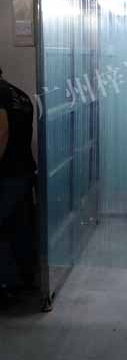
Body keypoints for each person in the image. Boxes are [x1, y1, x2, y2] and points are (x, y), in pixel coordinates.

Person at [0, 67, 36, 296]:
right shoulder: (21, 95)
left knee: (3, 227)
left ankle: (7, 283)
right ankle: (26, 278)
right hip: (24, 170)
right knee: (20, 227)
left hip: (6, 173)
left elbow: (2, 133)